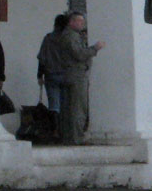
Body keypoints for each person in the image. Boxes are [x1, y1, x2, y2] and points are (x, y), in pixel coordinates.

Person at [56, 11, 105, 145]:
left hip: (69, 74)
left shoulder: (69, 35)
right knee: (78, 108)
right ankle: (76, 138)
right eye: (79, 21)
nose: (82, 24)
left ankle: (69, 138)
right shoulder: (71, 36)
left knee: (70, 108)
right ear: (71, 22)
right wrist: (94, 49)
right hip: (76, 76)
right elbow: (79, 54)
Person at [36, 13, 68, 115]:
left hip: (51, 75)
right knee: (66, 104)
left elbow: (42, 58)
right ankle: (63, 128)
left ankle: (54, 128)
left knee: (54, 105)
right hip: (66, 75)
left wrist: (39, 75)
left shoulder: (48, 39)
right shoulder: (69, 39)